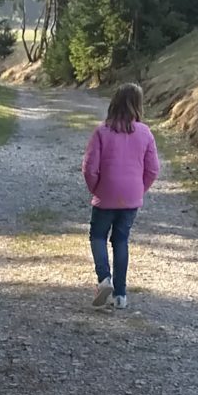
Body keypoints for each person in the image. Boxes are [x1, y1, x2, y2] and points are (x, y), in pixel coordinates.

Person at [82, 83, 160, 309]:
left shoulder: (102, 132)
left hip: (105, 193)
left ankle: (104, 279)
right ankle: (120, 295)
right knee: (121, 240)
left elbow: (89, 168)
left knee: (98, 236)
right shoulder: (145, 133)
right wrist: (139, 189)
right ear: (138, 105)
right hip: (131, 196)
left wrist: (96, 188)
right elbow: (153, 169)